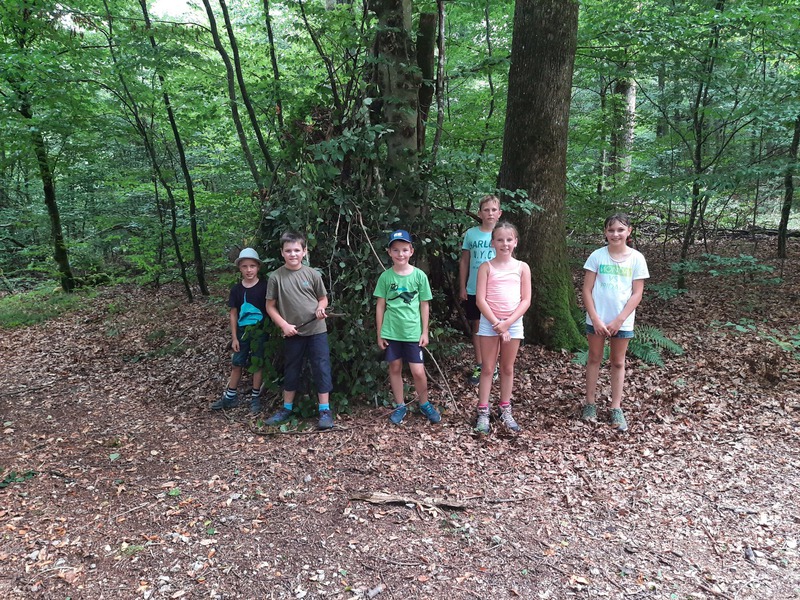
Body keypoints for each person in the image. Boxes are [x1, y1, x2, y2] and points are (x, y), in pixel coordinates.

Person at [581, 213, 649, 432]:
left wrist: (620, 319)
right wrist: (595, 318)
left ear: (629, 231)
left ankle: (616, 407)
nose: (615, 234)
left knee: (618, 362)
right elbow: (586, 290)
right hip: (597, 319)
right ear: (605, 232)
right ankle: (590, 403)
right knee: (594, 358)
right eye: (611, 230)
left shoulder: (636, 258)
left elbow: (637, 293)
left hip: (623, 321)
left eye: (620, 229)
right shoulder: (597, 256)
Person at [263, 232, 335, 430]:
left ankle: (325, 410)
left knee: (321, 367)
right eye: (288, 251)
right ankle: (286, 408)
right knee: (291, 368)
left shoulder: (312, 274)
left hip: (317, 330)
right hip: (293, 332)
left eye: (297, 250)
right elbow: (270, 306)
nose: (293, 254)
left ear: (304, 251)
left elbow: (323, 298)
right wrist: (284, 325)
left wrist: (320, 308)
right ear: (282, 252)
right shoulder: (276, 277)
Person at [374, 229, 441, 425]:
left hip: (413, 332)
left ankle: (424, 403)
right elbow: (380, 306)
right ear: (389, 252)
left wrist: (425, 331)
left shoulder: (419, 276)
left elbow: (424, 304)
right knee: (395, 367)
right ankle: (400, 405)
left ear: (411, 251)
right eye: (395, 250)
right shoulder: (386, 277)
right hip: (391, 331)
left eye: (404, 249)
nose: (400, 254)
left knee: (418, 371)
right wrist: (379, 333)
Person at [474, 222, 531, 434]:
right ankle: (483, 411)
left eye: (509, 240)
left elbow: (526, 300)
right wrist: (497, 324)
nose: (504, 244)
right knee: (488, 368)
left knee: (507, 367)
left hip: (513, 324)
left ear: (515, 242)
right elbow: (480, 299)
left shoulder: (522, 267)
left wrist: (507, 323)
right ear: (493, 242)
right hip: (489, 323)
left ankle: (505, 409)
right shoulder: (486, 267)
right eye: (500, 240)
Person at [211, 247, 269, 415]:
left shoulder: (264, 287)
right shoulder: (236, 289)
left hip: (260, 330)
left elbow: (270, 308)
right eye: (245, 266)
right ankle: (230, 396)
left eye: (252, 266)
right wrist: (234, 337)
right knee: (237, 363)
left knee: (257, 363)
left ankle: (255, 397)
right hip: (242, 331)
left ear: (258, 267)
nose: (249, 270)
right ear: (239, 268)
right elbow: (233, 313)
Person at [459, 195, 502, 384]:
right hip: (474, 288)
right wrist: (462, 286)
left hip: (496, 290)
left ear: (499, 213)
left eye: (493, 210)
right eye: (486, 210)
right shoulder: (471, 234)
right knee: (477, 326)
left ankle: (493, 365)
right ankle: (480, 364)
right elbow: (465, 261)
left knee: (496, 326)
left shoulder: (502, 233)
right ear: (480, 213)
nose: (490, 213)